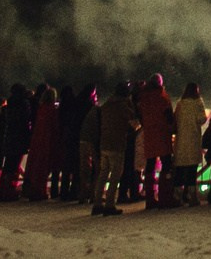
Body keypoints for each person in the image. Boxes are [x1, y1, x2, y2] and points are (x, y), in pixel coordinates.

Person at [94, 81, 139, 215]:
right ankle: (109, 204)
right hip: (117, 144)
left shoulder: (107, 105)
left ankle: (97, 203)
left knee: (103, 174)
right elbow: (135, 124)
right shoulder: (123, 106)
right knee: (115, 174)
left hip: (104, 143)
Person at [135, 73, 175, 207]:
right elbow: (169, 116)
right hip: (162, 134)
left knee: (150, 166)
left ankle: (150, 198)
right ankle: (165, 196)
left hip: (149, 135)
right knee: (166, 166)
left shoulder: (143, 98)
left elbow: (140, 115)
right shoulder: (162, 97)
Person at [171, 82, 206, 205]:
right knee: (192, 170)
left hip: (180, 141)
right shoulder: (198, 103)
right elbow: (201, 119)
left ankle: (177, 197)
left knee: (180, 170)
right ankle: (192, 197)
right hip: (193, 139)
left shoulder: (180, 104)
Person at [0, 83, 31, 201]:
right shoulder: (23, 104)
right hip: (19, 137)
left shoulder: (9, 104)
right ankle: (10, 191)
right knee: (14, 166)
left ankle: (2, 191)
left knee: (8, 165)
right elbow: (26, 119)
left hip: (9, 137)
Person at [24, 84, 57, 202]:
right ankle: (39, 191)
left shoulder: (40, 109)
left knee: (35, 166)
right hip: (46, 140)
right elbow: (54, 126)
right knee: (43, 167)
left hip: (37, 140)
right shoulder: (52, 110)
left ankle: (32, 190)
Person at [73, 87, 102, 203]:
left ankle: (82, 193)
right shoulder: (95, 110)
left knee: (84, 168)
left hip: (82, 139)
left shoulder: (79, 107)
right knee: (99, 168)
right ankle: (94, 193)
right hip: (92, 141)